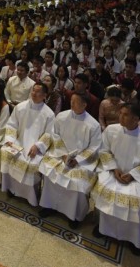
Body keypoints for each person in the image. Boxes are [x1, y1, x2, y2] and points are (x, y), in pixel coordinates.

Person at [92, 102, 140, 256]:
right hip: (113, 172)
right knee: (106, 191)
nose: (120, 117)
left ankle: (135, 239)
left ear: (136, 119)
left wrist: (133, 175)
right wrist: (114, 168)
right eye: (121, 113)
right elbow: (104, 150)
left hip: (137, 179)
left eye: (125, 115)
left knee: (138, 200)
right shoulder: (111, 130)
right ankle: (104, 229)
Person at [38, 91, 103, 228]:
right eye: (71, 101)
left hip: (82, 162)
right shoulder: (62, 116)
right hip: (60, 155)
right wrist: (63, 154)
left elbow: (94, 147)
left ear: (84, 104)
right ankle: (49, 206)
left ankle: (74, 215)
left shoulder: (93, 125)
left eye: (75, 102)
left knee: (76, 182)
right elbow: (55, 135)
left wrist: (78, 159)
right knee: (50, 174)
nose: (72, 104)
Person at [0, 82, 55, 206]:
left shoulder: (49, 114)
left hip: (35, 147)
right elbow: (12, 124)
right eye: (33, 90)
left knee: (32, 163)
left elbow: (49, 134)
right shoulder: (20, 107)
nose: (34, 93)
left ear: (45, 95)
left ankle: (30, 197)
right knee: (7, 152)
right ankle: (11, 188)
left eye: (38, 92)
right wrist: (10, 139)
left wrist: (38, 146)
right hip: (18, 142)